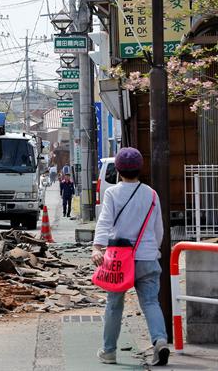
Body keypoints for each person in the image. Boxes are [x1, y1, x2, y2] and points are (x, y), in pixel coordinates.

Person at [92, 147, 168, 367]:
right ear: (139, 168)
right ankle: (160, 340)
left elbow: (105, 222)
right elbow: (158, 229)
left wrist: (97, 248)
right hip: (147, 257)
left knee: (114, 306)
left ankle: (109, 351)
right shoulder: (151, 194)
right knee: (151, 302)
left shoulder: (112, 193)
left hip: (118, 259)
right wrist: (155, 251)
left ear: (118, 170)